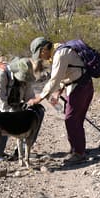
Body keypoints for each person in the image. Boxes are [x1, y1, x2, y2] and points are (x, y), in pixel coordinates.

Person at [26, 36, 92, 165]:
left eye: (40, 54)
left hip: (79, 88)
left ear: (44, 49)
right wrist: (58, 91)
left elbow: (55, 79)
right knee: (75, 119)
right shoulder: (59, 50)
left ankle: (78, 153)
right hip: (82, 86)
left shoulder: (60, 54)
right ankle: (77, 149)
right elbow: (66, 73)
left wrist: (40, 97)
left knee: (71, 119)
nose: (40, 58)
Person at [0, 57, 34, 159]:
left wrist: (31, 107)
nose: (24, 82)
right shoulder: (0, 75)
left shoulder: (26, 80)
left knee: (37, 112)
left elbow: (30, 99)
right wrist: (18, 120)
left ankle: (23, 150)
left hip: (13, 111)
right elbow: (2, 106)